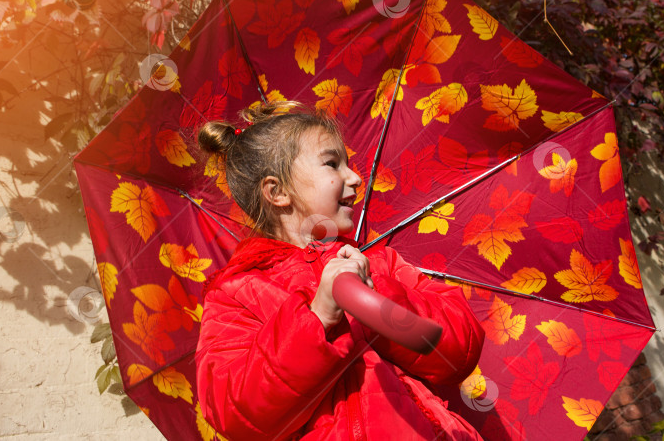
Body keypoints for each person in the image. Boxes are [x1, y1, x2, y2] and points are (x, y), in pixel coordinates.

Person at [195, 100, 486, 440]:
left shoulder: (379, 262)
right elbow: (236, 413)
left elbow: (458, 349)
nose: (356, 177)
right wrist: (316, 317)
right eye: (332, 164)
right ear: (277, 192)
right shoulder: (236, 294)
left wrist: (376, 296)